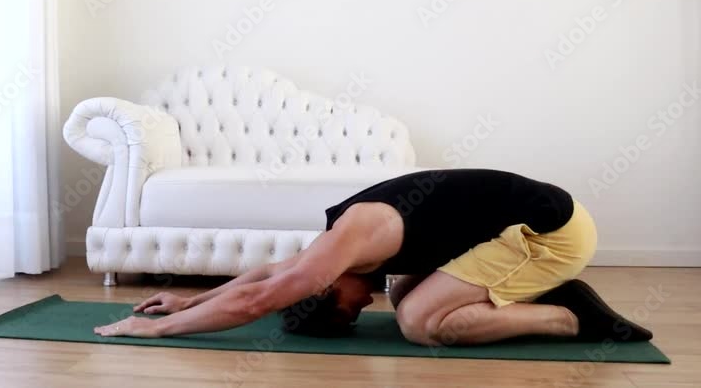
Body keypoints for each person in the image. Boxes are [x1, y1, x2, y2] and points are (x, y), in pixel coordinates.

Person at [93, 169, 653, 346]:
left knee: (421, 322)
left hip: (552, 233)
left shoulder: (346, 247)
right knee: (408, 290)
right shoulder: (331, 254)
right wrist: (191, 297)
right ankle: (536, 294)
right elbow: (270, 273)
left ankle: (573, 315)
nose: (361, 307)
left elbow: (261, 297)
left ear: (327, 287)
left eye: (348, 311)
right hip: (526, 227)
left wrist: (159, 333)